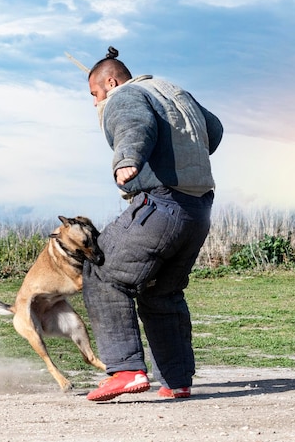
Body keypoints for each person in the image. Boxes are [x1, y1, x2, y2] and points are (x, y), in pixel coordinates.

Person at [81, 47, 224, 402]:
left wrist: (127, 159)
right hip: (198, 210)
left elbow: (133, 124)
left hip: (161, 205)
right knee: (161, 291)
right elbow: (215, 131)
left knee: (102, 272)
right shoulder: (173, 92)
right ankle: (177, 380)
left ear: (110, 82)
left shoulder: (125, 96)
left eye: (94, 95)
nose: (95, 103)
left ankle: (126, 370)